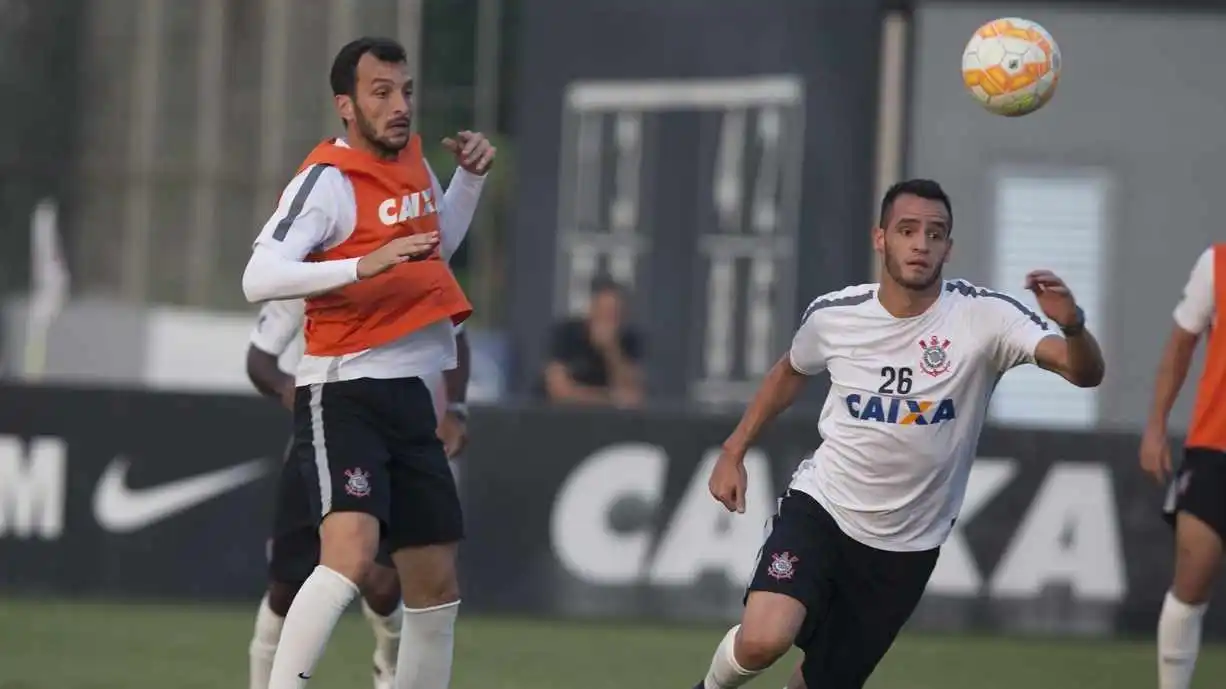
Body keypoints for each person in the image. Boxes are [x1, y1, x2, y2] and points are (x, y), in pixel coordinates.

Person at [693, 178, 1106, 689]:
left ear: (948, 247)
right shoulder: (836, 316)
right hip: (824, 509)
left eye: (935, 234)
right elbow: (789, 371)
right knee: (763, 639)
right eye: (907, 230)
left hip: (906, 548)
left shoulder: (985, 317)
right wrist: (734, 449)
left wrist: (1073, 327)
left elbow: (1083, 373)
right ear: (880, 238)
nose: (921, 243)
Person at [240, 35, 494, 689]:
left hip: (411, 392)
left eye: (405, 90)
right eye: (381, 92)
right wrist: (361, 263)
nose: (400, 105)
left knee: (434, 580)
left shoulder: (413, 161)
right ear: (346, 105)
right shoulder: (326, 180)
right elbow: (257, 276)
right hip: (343, 388)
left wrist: (468, 180)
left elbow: (438, 245)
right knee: (348, 558)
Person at [244, 296, 472, 689]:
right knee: (286, 587)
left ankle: (390, 658)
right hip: (328, 427)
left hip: (399, 427)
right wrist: (287, 388)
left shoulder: (416, 261)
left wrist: (455, 407)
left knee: (386, 586)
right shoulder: (310, 269)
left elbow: (459, 333)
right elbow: (259, 358)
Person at [1139, 244, 1226, 689]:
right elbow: (1179, 348)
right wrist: (1155, 427)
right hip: (1216, 449)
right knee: (1191, 580)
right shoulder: (1218, 263)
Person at [542, 275, 645, 407]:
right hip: (562, 417)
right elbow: (559, 391)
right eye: (604, 312)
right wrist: (610, 399)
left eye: (615, 314)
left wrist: (612, 351)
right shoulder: (567, 334)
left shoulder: (629, 340)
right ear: (591, 310)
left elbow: (633, 396)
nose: (609, 321)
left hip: (609, 422)